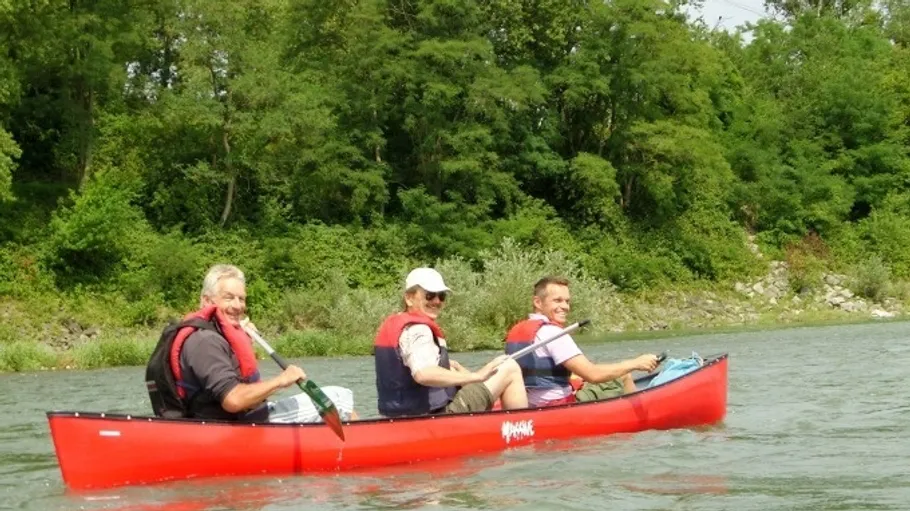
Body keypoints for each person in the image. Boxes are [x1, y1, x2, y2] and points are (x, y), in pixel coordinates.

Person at [145, 264, 356, 423]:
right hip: (237, 427)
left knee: (335, 401)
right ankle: (362, 450)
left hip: (238, 420)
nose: (238, 306)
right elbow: (234, 400)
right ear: (207, 301)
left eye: (241, 299)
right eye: (228, 298)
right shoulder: (205, 342)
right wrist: (281, 380)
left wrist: (243, 341)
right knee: (339, 397)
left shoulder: (214, 334)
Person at [374, 267, 528, 417]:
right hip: (436, 417)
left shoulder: (401, 327)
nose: (436, 301)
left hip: (399, 417)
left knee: (455, 369)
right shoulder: (419, 330)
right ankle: (520, 431)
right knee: (509, 366)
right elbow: (423, 374)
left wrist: (451, 369)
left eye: (441, 296)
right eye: (429, 295)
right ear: (409, 298)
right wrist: (477, 376)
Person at [505, 276, 659, 407]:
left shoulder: (517, 330)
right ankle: (639, 418)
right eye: (557, 301)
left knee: (582, 379)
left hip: (532, 403)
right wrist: (636, 363)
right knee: (624, 376)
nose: (565, 306)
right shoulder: (553, 333)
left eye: (567, 301)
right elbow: (593, 375)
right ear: (538, 302)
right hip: (560, 405)